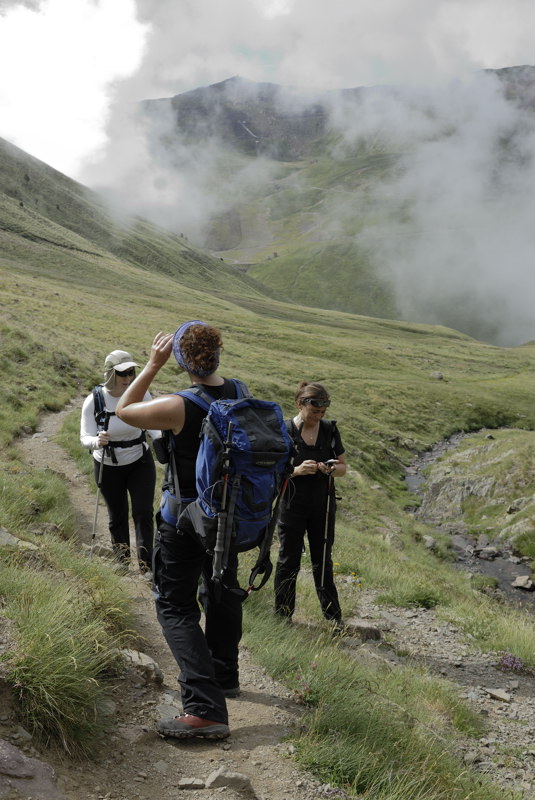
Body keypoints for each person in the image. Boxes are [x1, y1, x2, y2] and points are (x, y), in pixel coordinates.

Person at [116, 321, 245, 741]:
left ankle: (205, 708)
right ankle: (224, 675)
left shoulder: (178, 405)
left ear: (182, 359)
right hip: (229, 518)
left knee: (174, 606)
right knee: (222, 592)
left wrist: (152, 364)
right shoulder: (241, 394)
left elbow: (124, 409)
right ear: (218, 354)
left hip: (184, 521)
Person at [274, 380, 347, 630]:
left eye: (322, 413)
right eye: (314, 411)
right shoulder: (284, 430)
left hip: (323, 506)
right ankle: (282, 616)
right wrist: (296, 470)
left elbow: (343, 467)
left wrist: (330, 470)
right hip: (291, 505)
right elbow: (274, 471)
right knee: (288, 560)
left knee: (323, 560)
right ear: (300, 404)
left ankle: (334, 619)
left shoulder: (330, 430)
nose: (318, 416)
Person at [80, 350, 159, 574]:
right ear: (110, 374)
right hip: (107, 465)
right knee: (117, 515)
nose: (127, 378)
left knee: (143, 512)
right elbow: (84, 437)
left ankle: (147, 565)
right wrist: (96, 441)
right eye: (122, 373)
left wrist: (162, 443)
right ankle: (122, 561)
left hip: (139, 461)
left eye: (131, 372)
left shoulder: (141, 394)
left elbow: (152, 424)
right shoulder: (94, 401)